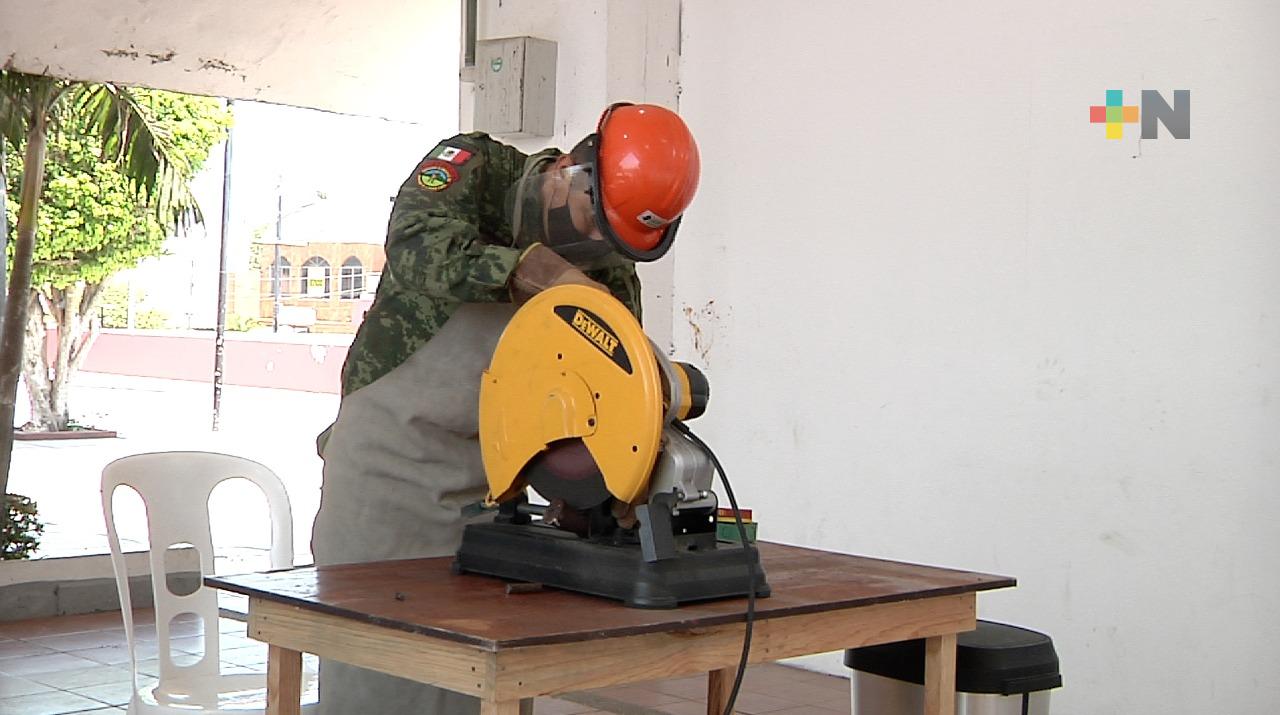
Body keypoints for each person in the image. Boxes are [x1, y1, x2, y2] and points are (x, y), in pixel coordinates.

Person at [309, 103, 700, 715]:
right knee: (377, 673)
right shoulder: (476, 169)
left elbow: (618, 398)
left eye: (614, 239)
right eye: (592, 221)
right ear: (573, 169)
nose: (597, 243)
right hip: (385, 476)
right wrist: (537, 270)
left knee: (472, 682)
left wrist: (607, 493)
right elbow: (416, 246)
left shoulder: (610, 272)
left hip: (494, 496)